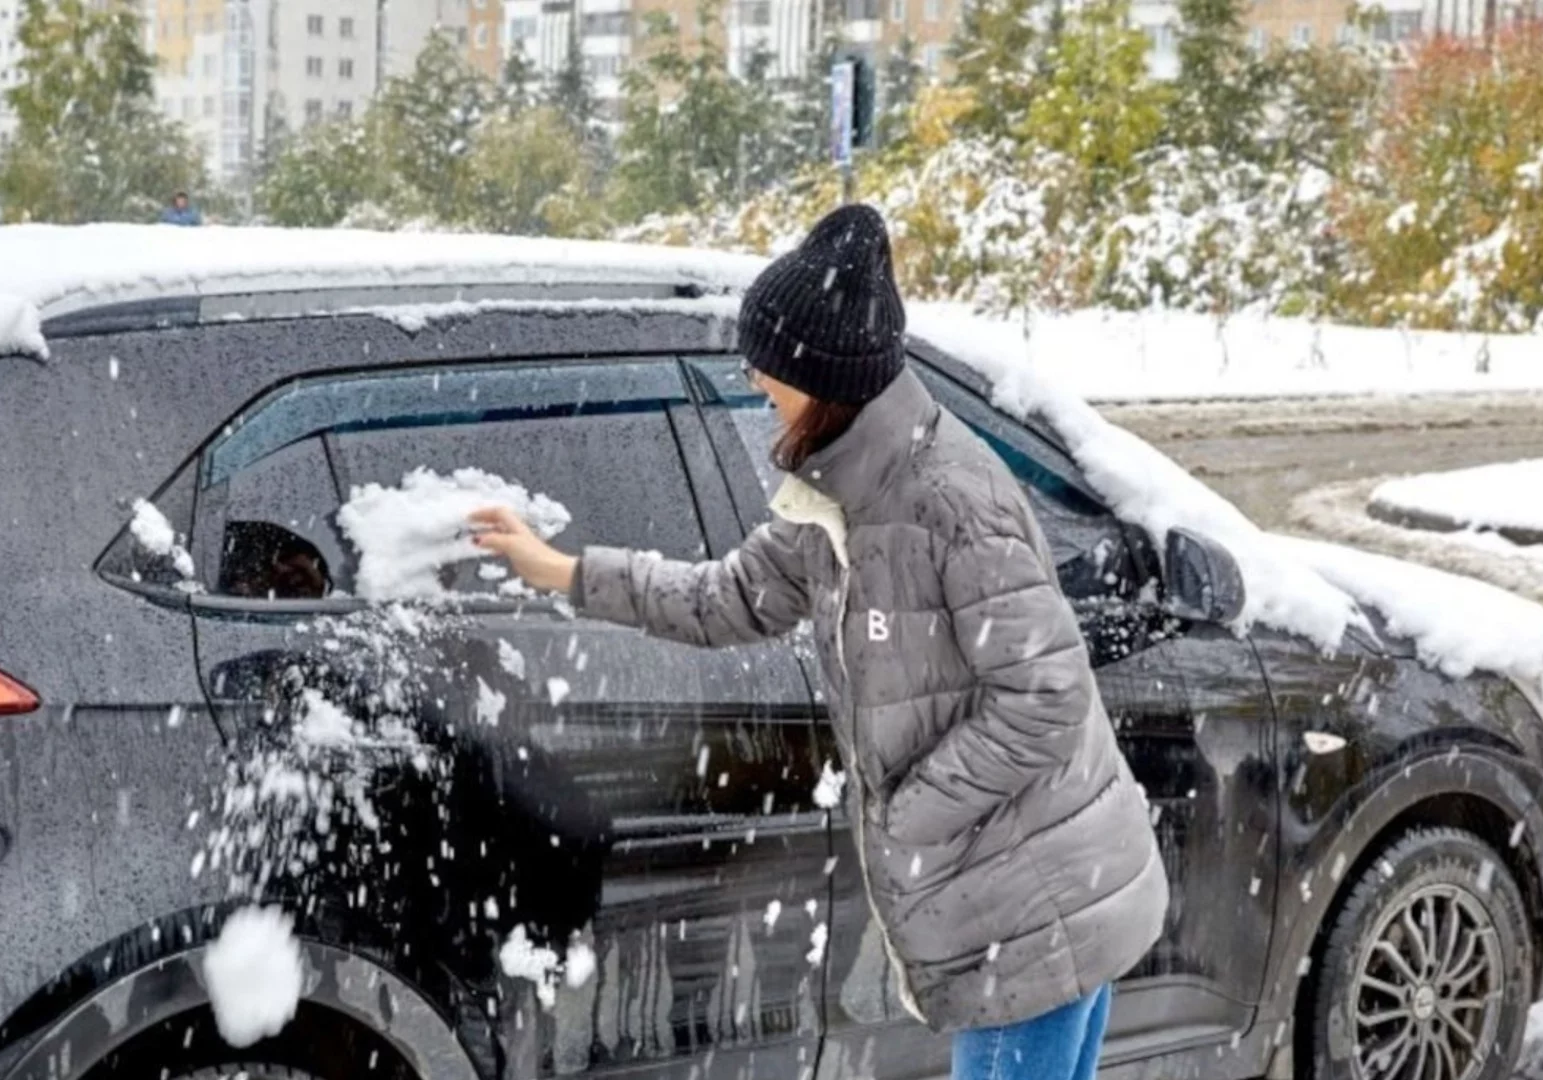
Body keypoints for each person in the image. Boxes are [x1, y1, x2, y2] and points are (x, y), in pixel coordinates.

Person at [471, 204, 1168, 1080]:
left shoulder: (949, 501)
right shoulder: (838, 496)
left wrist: (910, 814)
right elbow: (727, 599)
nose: (756, 378)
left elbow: (1046, 698)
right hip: (1018, 895)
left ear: (827, 377)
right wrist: (565, 572)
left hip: (1030, 910)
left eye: (771, 365)